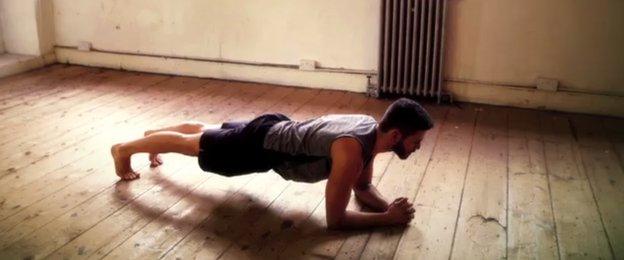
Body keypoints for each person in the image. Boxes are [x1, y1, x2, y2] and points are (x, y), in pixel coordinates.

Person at [111, 98, 433, 229]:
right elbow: (334, 220)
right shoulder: (351, 152)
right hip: (260, 146)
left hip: (275, 127)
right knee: (193, 145)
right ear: (395, 135)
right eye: (415, 141)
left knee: (203, 132)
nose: (417, 148)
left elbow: (362, 188)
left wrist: (388, 206)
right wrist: (388, 220)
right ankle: (124, 150)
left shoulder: (368, 129)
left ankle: (153, 136)